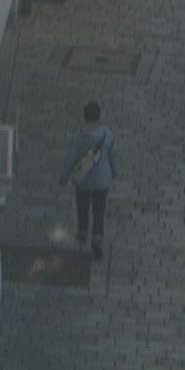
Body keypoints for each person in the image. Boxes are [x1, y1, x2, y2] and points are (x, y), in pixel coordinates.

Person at [60, 101, 118, 259]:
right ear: (99, 117)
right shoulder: (107, 135)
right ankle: (97, 238)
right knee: (99, 209)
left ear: (84, 117)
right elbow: (112, 156)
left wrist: (64, 177)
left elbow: (70, 158)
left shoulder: (79, 136)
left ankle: (82, 231)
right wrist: (114, 172)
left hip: (83, 179)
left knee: (82, 206)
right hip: (102, 181)